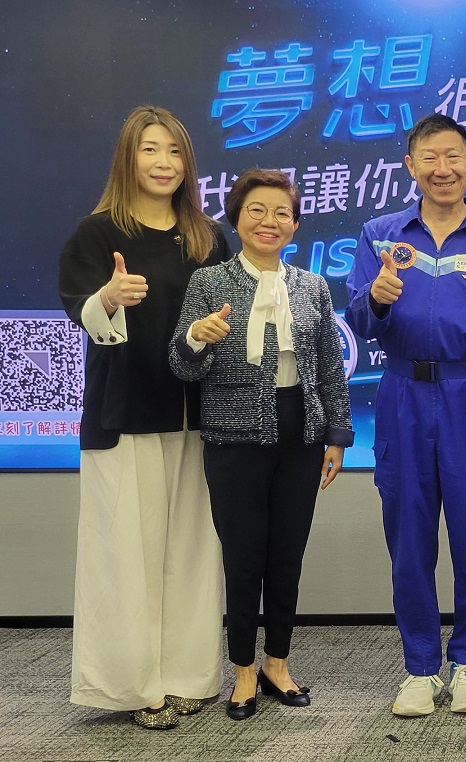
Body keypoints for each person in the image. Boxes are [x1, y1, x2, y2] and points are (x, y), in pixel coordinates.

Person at [345, 114, 466, 717]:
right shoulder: (379, 234)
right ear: (410, 165)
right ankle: (421, 667)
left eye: (453, 157)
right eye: (429, 158)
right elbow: (356, 318)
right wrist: (377, 297)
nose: (442, 169)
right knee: (409, 536)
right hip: (403, 396)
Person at [57, 105, 229, 729]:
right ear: (127, 157)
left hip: (198, 416)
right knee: (126, 552)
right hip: (123, 411)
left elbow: (231, 314)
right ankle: (135, 684)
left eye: (175, 152)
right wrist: (109, 296)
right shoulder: (96, 234)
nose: (164, 163)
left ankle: (187, 675)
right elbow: (82, 309)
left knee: (191, 549)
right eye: (150, 150)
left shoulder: (208, 237)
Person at [170, 169, 354, 720]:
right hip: (234, 434)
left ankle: (278, 662)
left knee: (287, 554)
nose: (269, 221)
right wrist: (196, 338)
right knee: (244, 554)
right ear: (236, 216)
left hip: (301, 429)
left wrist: (336, 436)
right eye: (257, 210)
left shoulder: (313, 286)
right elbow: (181, 364)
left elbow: (329, 369)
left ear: (295, 225)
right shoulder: (210, 282)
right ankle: (244, 670)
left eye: (281, 213)